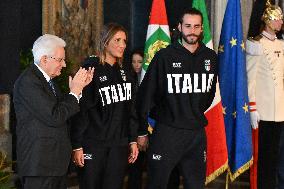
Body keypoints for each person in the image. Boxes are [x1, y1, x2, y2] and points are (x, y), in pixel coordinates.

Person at [136, 8, 218, 189]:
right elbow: (145, 95)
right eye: (188, 26)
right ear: (179, 27)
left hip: (196, 133)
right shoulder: (164, 57)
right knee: (158, 184)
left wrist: (192, 111)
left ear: (202, 29)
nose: (192, 31)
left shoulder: (210, 57)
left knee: (196, 185)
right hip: (168, 132)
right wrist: (142, 130)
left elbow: (209, 94)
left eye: (196, 26)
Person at [13, 34, 94, 189]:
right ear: (44, 59)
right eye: (60, 59)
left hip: (53, 165)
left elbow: (62, 108)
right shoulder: (28, 82)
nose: (64, 64)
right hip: (40, 167)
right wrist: (74, 93)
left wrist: (78, 89)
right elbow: (55, 116)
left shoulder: (47, 81)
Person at [71, 23, 142, 189]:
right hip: (93, 144)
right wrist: (77, 145)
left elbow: (131, 110)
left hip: (119, 145)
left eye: (124, 41)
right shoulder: (90, 69)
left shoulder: (126, 70)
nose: (122, 45)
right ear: (105, 41)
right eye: (117, 40)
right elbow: (81, 110)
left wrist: (132, 140)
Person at [246, 4, 284, 189]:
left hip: (280, 112)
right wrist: (252, 108)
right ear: (268, 20)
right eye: (278, 18)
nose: (281, 22)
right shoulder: (256, 44)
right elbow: (250, 79)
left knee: (276, 157)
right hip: (263, 112)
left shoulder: (281, 44)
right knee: (264, 158)